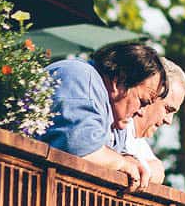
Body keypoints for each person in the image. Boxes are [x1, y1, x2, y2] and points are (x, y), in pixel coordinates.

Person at [38, 41, 165, 190]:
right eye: (142, 102)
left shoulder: (116, 116)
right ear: (119, 81)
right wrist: (122, 163)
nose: (141, 112)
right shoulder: (79, 76)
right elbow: (78, 147)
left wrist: (128, 160)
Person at [117, 59, 185, 187]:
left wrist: (140, 167)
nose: (169, 120)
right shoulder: (118, 125)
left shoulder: (137, 140)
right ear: (151, 94)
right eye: (167, 109)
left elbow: (159, 170)